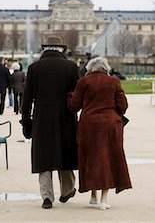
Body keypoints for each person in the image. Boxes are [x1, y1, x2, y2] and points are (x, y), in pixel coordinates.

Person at [21, 36, 80, 209]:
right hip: (65, 115)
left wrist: (26, 122)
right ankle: (67, 190)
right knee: (65, 152)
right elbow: (78, 95)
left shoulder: (34, 68)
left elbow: (27, 99)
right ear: (61, 49)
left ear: (45, 49)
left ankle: (47, 197)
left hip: (42, 115)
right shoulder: (70, 67)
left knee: (43, 155)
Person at [67, 56, 132, 210]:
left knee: (90, 158)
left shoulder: (84, 82)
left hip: (89, 124)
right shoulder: (114, 82)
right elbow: (123, 105)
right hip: (110, 125)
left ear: (90, 68)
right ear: (106, 68)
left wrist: (69, 96)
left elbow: (74, 106)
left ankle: (93, 195)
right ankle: (104, 198)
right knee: (107, 158)